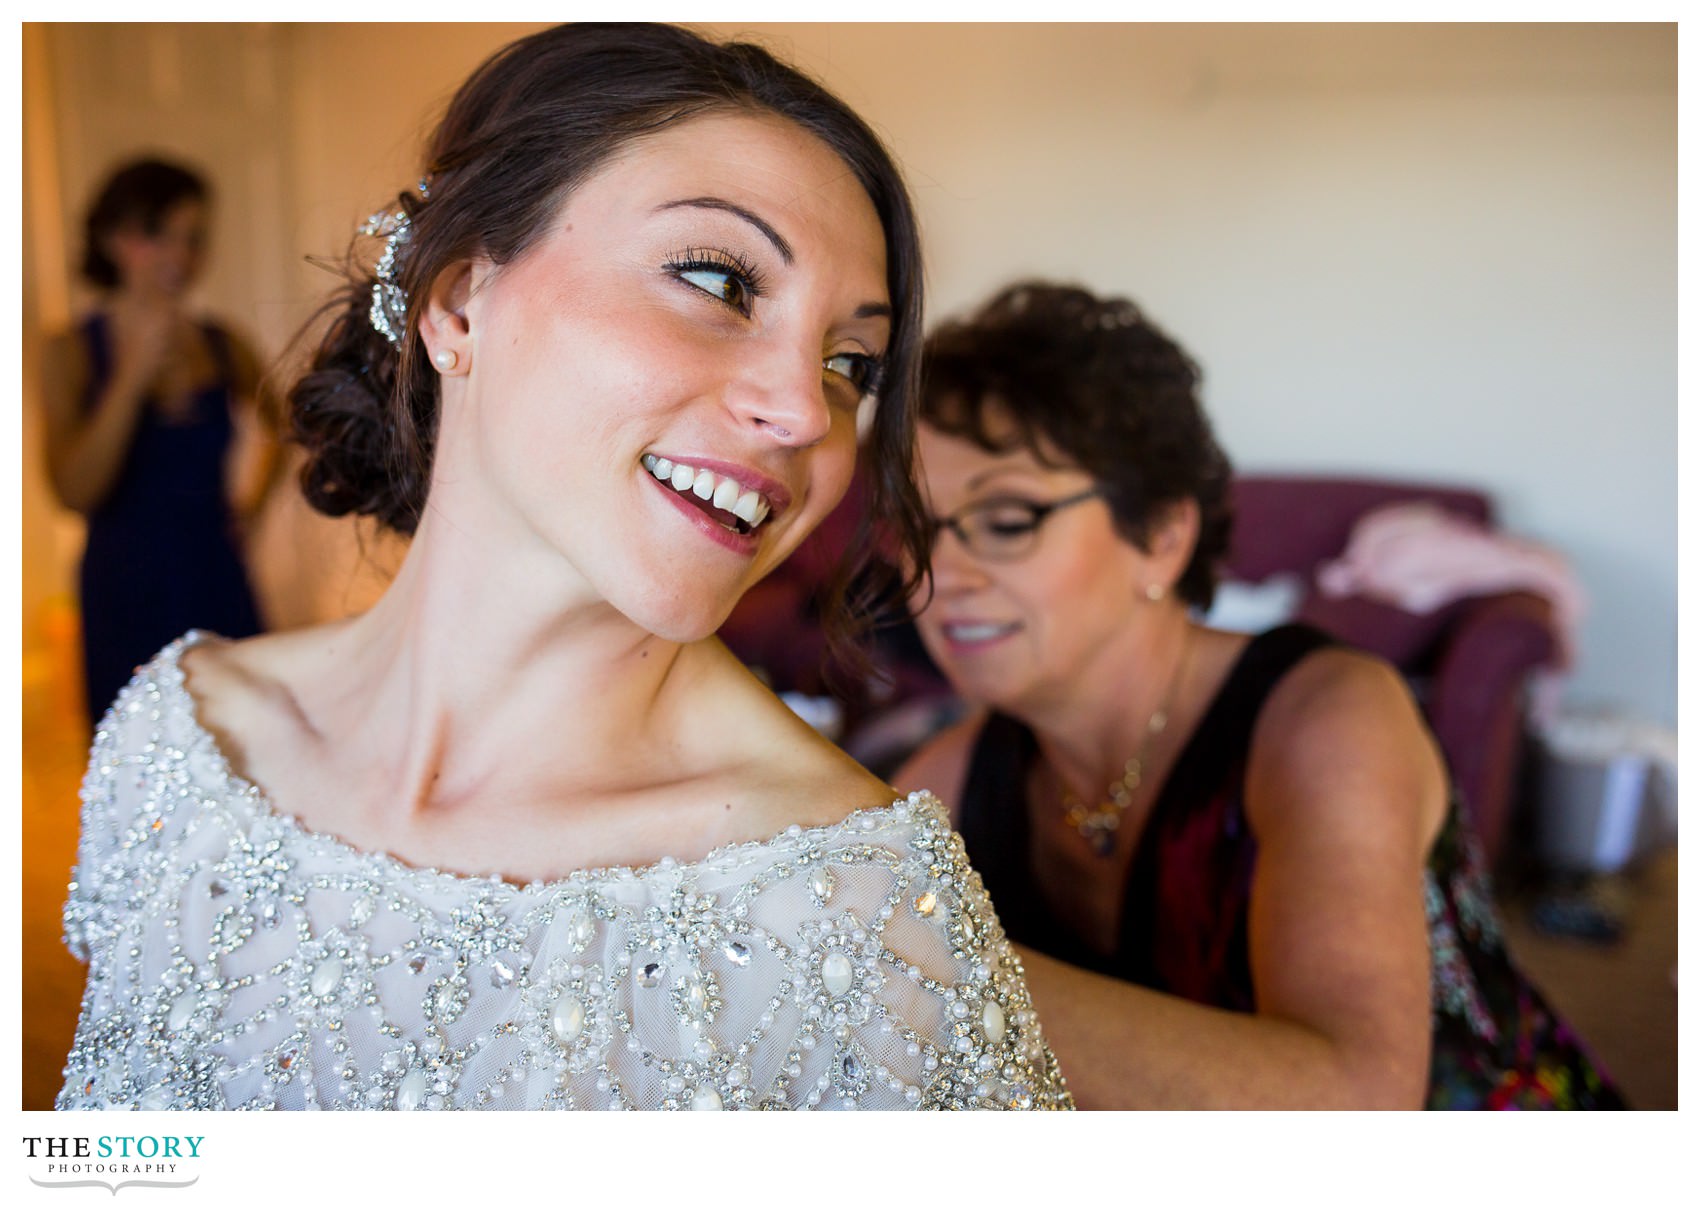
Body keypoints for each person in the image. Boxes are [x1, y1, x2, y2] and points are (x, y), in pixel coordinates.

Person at [56, 24, 1071, 1112]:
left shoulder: (855, 905)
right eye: (717, 280)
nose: (801, 413)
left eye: (847, 363)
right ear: (456, 302)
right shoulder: (178, 741)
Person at [894, 280, 1624, 1109]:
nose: (940, 573)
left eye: (1007, 518)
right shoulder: (953, 775)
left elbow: (1356, 1100)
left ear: (1162, 538)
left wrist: (929, 967)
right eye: (916, 526)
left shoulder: (1327, 717)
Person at [43, 157, 278, 726]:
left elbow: (286, 422)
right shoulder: (69, 351)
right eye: (155, 234)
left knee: (244, 739)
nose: (178, 256)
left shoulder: (225, 345)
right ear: (110, 239)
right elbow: (74, 491)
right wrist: (131, 378)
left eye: (193, 238)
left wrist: (252, 507)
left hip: (217, 572)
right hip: (124, 586)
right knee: (134, 756)